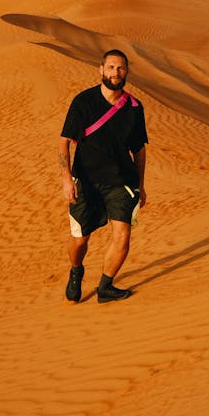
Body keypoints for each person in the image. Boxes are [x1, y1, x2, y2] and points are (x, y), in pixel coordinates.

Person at [58, 49, 148, 303]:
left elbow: (139, 149)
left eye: (120, 68)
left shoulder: (134, 108)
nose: (115, 73)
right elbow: (64, 142)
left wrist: (140, 185)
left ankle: (105, 287)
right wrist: (66, 177)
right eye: (111, 67)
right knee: (79, 239)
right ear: (101, 70)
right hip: (85, 181)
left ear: (127, 72)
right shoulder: (83, 102)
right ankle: (76, 271)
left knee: (122, 237)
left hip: (122, 182)